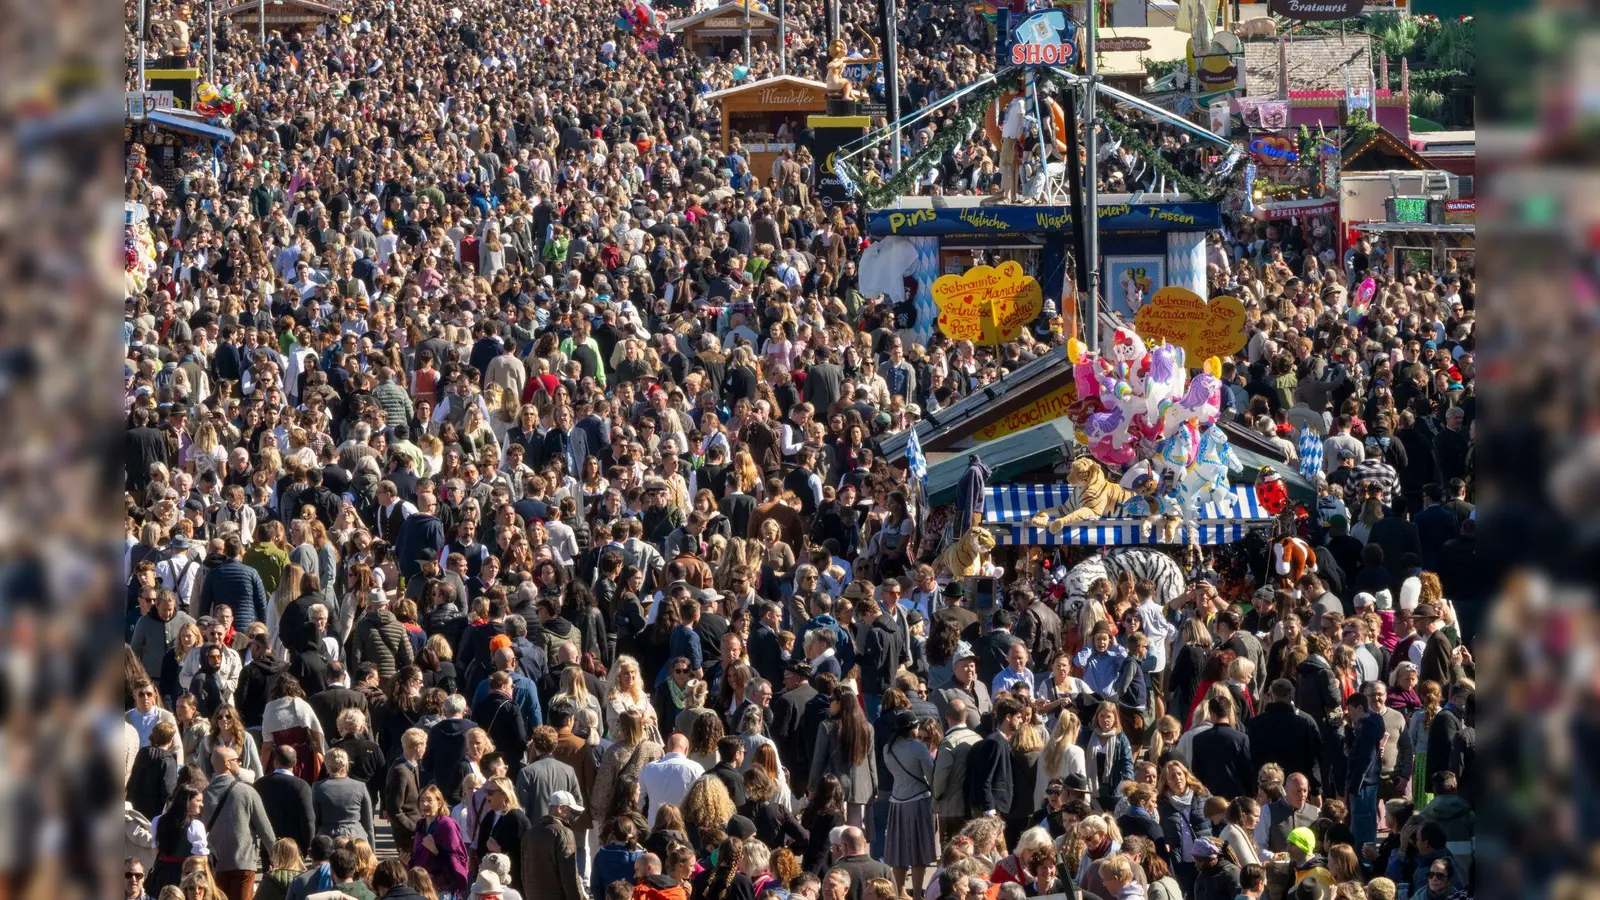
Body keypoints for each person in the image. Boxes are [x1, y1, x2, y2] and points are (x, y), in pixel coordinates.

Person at [201, 746, 276, 900]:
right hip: (244, 862)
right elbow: (265, 830)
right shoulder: (247, 791)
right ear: (228, 764)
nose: (240, 764)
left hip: (214, 865)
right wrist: (276, 858)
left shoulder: (203, 795)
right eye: (236, 760)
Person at [521, 790, 585, 900]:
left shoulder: (530, 834)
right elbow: (569, 876)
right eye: (570, 811)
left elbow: (524, 873)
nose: (572, 816)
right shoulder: (564, 833)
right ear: (559, 809)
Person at [413, 784, 471, 897]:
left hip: (443, 887)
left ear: (439, 803)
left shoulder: (447, 825)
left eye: (429, 800)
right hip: (423, 885)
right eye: (422, 800)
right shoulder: (421, 825)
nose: (424, 804)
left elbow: (458, 858)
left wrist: (436, 850)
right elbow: (418, 855)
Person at [312, 747, 375, 844]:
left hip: (328, 839)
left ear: (326, 765)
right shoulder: (360, 786)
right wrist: (372, 852)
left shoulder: (318, 788)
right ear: (346, 765)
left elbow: (315, 821)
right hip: (356, 838)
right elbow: (368, 825)